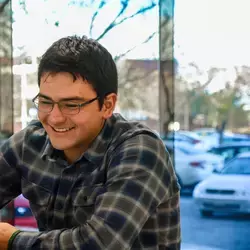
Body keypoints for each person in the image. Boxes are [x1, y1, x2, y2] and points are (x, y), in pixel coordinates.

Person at [0, 35, 181, 249]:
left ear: (107, 105)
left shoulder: (140, 149)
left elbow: (99, 244)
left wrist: (13, 240)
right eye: (46, 102)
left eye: (72, 105)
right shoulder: (30, 143)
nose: (55, 117)